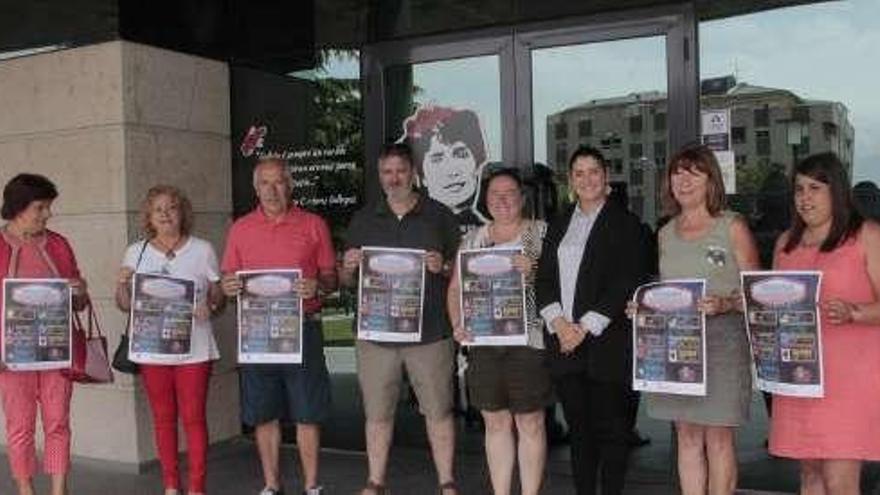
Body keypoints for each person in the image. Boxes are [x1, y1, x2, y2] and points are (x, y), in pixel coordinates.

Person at [340, 142, 460, 495]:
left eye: (400, 171)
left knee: (438, 411)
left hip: (430, 333)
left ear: (413, 172)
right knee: (377, 414)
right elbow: (347, 280)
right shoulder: (363, 219)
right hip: (376, 335)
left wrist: (445, 266)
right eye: (386, 172)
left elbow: (462, 273)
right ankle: (376, 482)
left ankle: (447, 482)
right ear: (380, 176)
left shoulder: (440, 216)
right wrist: (347, 267)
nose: (394, 178)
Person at [642, 144, 759, 495]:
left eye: (694, 172)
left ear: (711, 179)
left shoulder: (732, 226)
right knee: (687, 436)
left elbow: (757, 293)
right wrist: (645, 308)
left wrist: (724, 303)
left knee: (718, 437)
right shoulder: (664, 233)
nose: (684, 180)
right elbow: (665, 292)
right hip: (679, 345)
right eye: (677, 172)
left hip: (724, 342)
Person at [535, 146, 648, 495]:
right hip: (565, 345)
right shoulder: (558, 224)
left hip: (607, 344)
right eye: (578, 173)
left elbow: (627, 280)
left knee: (613, 435)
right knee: (580, 434)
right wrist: (559, 325)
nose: (586, 179)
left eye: (593, 171)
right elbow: (544, 279)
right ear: (570, 181)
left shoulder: (626, 224)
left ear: (606, 177)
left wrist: (584, 327)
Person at [220, 158, 337, 495]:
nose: (272, 190)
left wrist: (319, 285)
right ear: (256, 189)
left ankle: (312, 485)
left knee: (307, 413)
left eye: (279, 182)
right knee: (263, 413)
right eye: (265, 184)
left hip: (303, 328)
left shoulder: (314, 224)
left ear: (290, 185)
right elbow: (229, 278)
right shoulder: (240, 228)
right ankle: (272, 485)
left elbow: (331, 278)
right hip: (257, 332)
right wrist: (228, 287)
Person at [769, 152, 880, 494]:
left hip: (851, 379)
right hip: (801, 376)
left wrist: (855, 313)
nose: (804, 197)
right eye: (799, 189)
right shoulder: (785, 244)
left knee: (840, 480)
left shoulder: (866, 235)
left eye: (815, 188)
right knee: (810, 474)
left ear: (838, 191)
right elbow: (771, 307)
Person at [447, 168, 552, 495]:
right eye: (495, 194)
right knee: (495, 422)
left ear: (522, 198)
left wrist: (534, 269)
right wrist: (457, 324)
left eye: (510, 193)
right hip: (485, 342)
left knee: (530, 422)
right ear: (486, 200)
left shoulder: (542, 233)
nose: (503, 200)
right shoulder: (473, 239)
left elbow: (560, 287)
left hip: (529, 343)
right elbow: (454, 291)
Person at [114, 185, 225, 495]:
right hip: (153, 349)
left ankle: (196, 487)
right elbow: (124, 303)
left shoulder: (202, 249)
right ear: (149, 216)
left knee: (193, 418)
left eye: (171, 207)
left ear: (182, 212)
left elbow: (219, 294)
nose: (165, 214)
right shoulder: (136, 252)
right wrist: (122, 283)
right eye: (158, 209)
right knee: (163, 419)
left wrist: (212, 304)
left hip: (195, 348)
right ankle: (171, 485)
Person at [0, 173, 89, 495]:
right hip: (11, 357)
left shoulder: (58, 244)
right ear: (18, 208)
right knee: (20, 427)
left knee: (57, 423)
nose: (47, 214)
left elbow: (79, 301)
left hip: (55, 350)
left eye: (48, 207)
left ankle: (59, 489)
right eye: (40, 207)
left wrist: (79, 292)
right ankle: (25, 489)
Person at [401, 105, 489, 227]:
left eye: (461, 154)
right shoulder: (409, 229)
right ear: (421, 175)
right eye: (437, 159)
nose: (452, 171)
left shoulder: (497, 231)